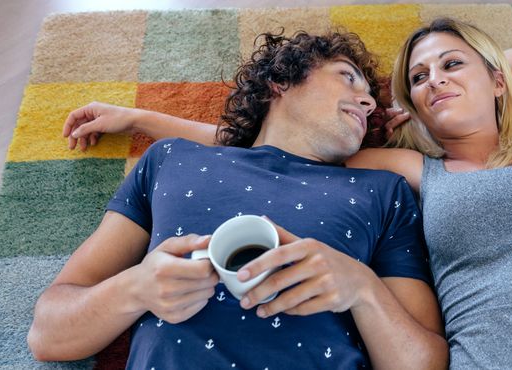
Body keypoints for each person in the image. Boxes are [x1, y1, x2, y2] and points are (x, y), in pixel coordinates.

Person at [60, 18, 512, 368]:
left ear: (496, 81)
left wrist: (438, 82)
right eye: (418, 78)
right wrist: (139, 118)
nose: (435, 80)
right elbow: (271, 146)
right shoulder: (411, 172)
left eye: (453, 65)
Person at [28, 30, 448, 369]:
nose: (368, 100)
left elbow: (425, 362)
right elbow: (48, 335)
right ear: (281, 81)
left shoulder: (382, 189)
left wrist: (361, 288)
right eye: (347, 76)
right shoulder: (171, 159)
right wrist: (136, 289)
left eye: (371, 98)